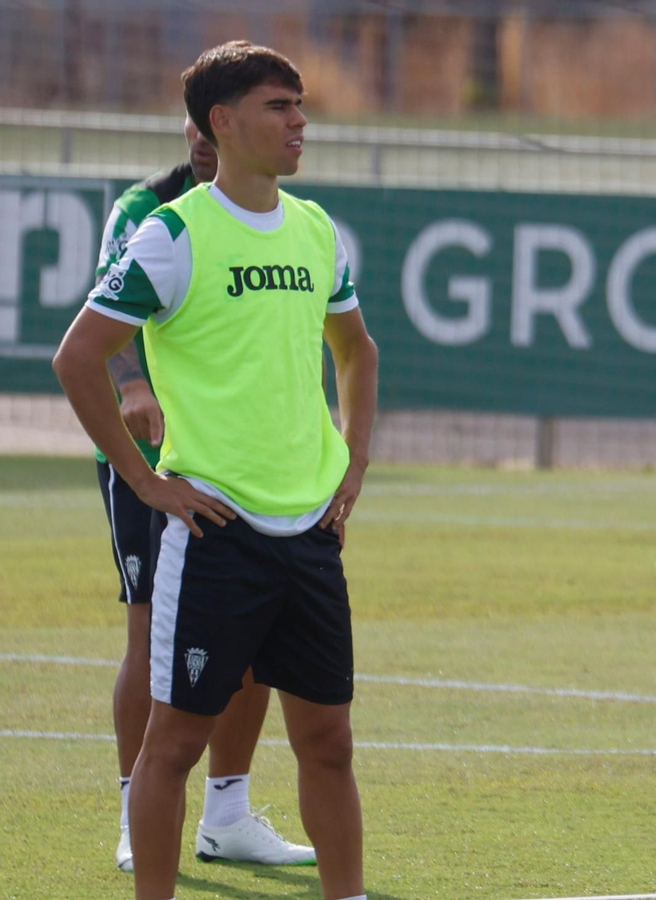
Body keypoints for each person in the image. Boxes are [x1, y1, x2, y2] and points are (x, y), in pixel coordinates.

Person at [54, 40, 378, 900]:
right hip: (214, 533)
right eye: (280, 106)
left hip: (311, 531)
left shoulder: (315, 229)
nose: (300, 121)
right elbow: (79, 358)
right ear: (222, 123)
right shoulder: (171, 234)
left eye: (300, 105)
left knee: (330, 744)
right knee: (172, 748)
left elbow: (357, 350)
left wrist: (353, 462)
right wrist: (146, 482)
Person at [93, 114, 314, 874]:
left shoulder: (283, 218)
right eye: (193, 123)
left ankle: (226, 814)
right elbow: (102, 319)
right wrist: (131, 387)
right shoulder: (146, 209)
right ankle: (137, 813)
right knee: (148, 630)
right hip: (152, 462)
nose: (199, 139)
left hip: (237, 470)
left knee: (250, 637)